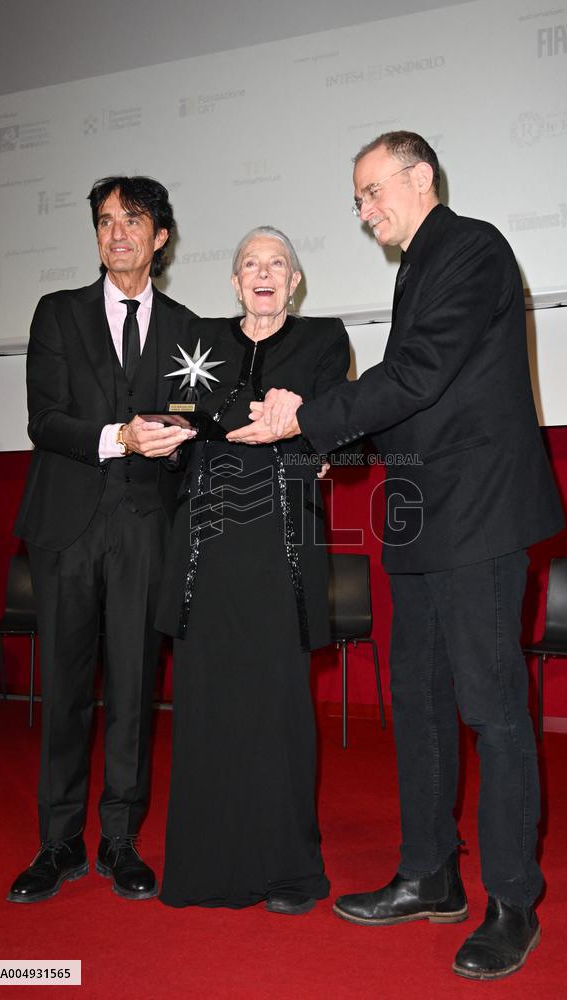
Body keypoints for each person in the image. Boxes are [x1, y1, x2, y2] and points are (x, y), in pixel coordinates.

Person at [227, 132, 564, 976]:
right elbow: (417, 398)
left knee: (491, 713)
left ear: (423, 179)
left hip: (479, 523)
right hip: (423, 521)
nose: (366, 211)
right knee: (416, 704)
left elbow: (417, 374)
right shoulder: (419, 266)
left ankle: (513, 899)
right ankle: (430, 874)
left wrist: (306, 416)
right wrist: (331, 438)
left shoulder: (471, 246)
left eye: (375, 191)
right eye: (358, 200)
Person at [9, 176, 198, 904]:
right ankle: (58, 843)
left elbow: (192, 429)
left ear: (161, 237)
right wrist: (119, 436)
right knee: (64, 693)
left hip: (144, 530)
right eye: (105, 222)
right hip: (66, 527)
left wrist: (179, 442)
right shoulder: (58, 314)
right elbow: (45, 420)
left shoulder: (187, 326)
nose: (117, 233)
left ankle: (120, 839)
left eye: (133, 221)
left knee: (132, 690)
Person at [155, 226, 350, 915]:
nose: (263, 274)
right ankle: (207, 867)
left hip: (282, 547)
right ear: (235, 282)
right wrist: (269, 417)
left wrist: (301, 421)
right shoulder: (197, 339)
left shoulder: (325, 339)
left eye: (277, 264)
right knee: (206, 705)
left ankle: (286, 871)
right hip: (205, 547)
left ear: (295, 282)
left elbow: (336, 424)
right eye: (249, 264)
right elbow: (173, 416)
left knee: (280, 710)